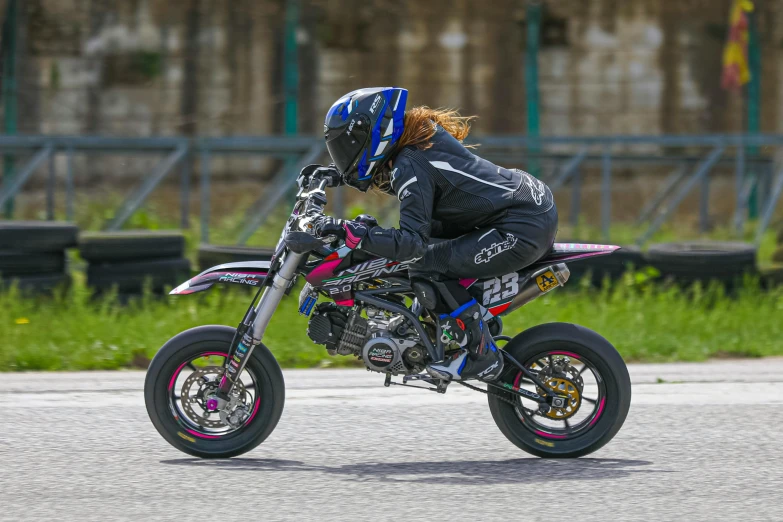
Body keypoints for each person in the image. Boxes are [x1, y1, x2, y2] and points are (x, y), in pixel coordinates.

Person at [311, 87, 558, 382]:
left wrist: (354, 233)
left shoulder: (409, 164)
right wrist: (334, 175)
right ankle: (445, 327)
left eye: (349, 145)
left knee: (425, 262)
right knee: (421, 260)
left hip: (521, 227)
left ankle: (483, 355)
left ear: (372, 133)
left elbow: (412, 244)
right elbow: (398, 179)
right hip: (528, 203)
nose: (346, 153)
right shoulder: (418, 140)